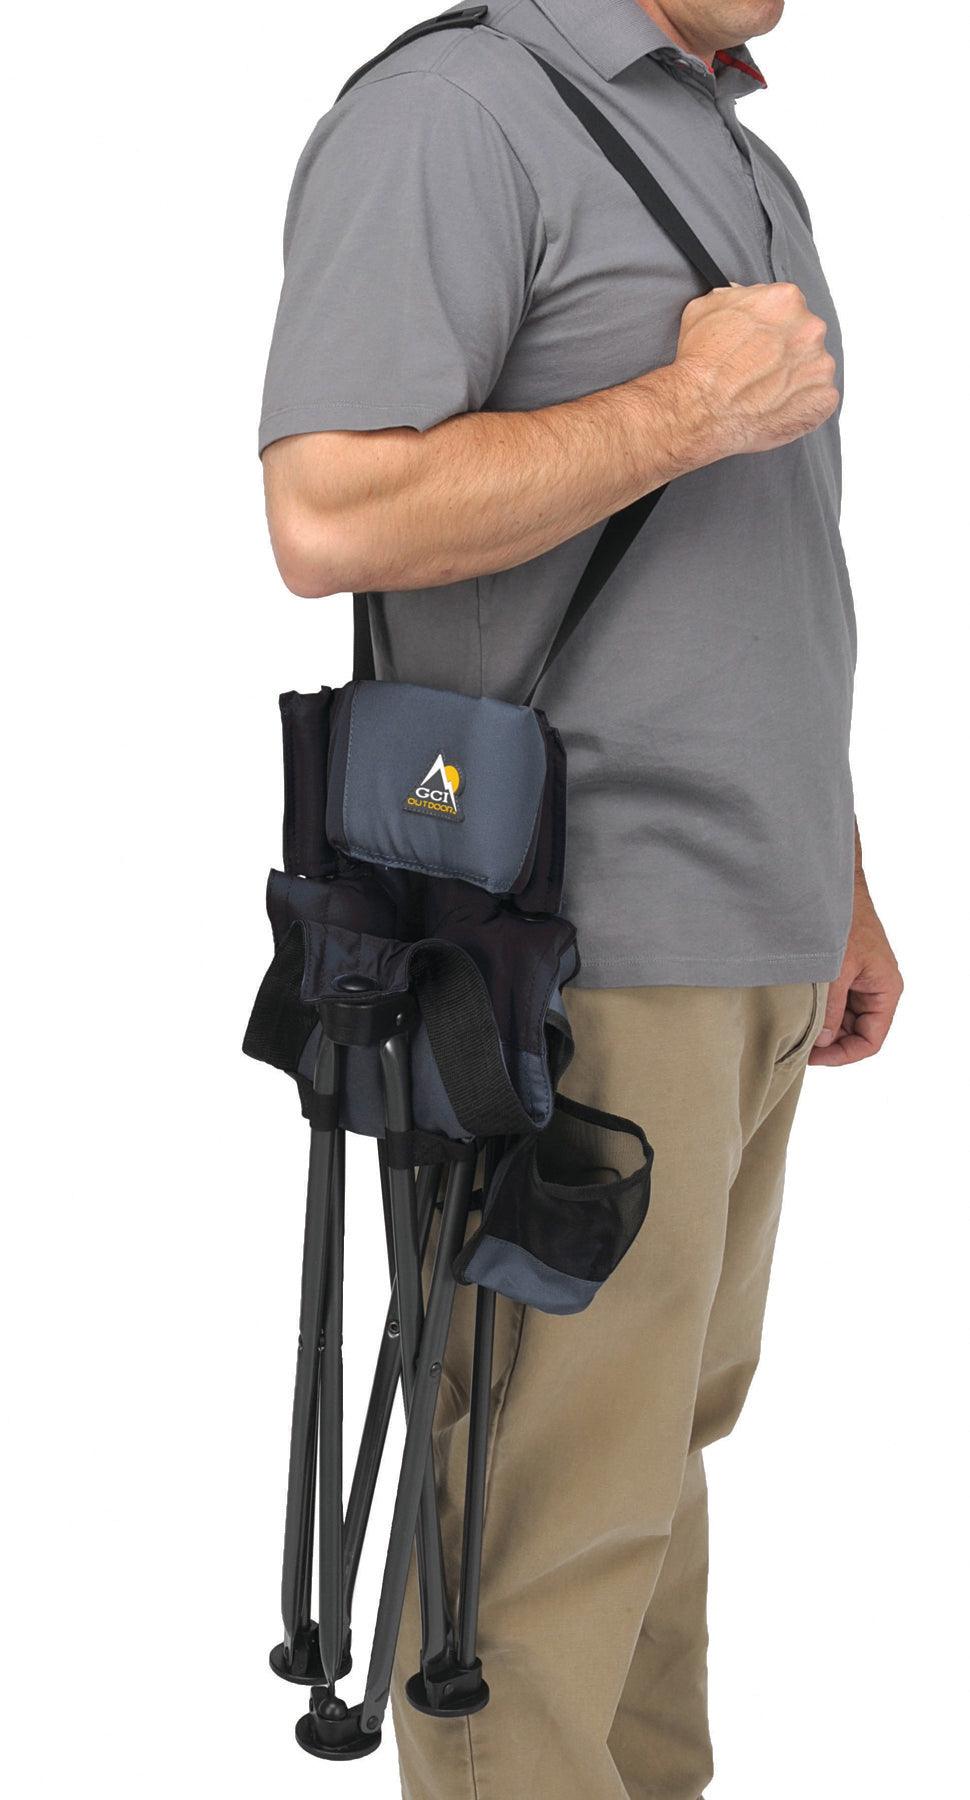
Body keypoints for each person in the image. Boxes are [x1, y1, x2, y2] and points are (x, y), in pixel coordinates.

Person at [258, 2, 903, 1794]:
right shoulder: (456, 112)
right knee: (545, 1502)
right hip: (569, 948)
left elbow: (758, 569)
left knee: (653, 1459)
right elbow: (331, 514)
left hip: (748, 931)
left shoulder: (733, 146)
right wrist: (689, 404)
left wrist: (835, 880)